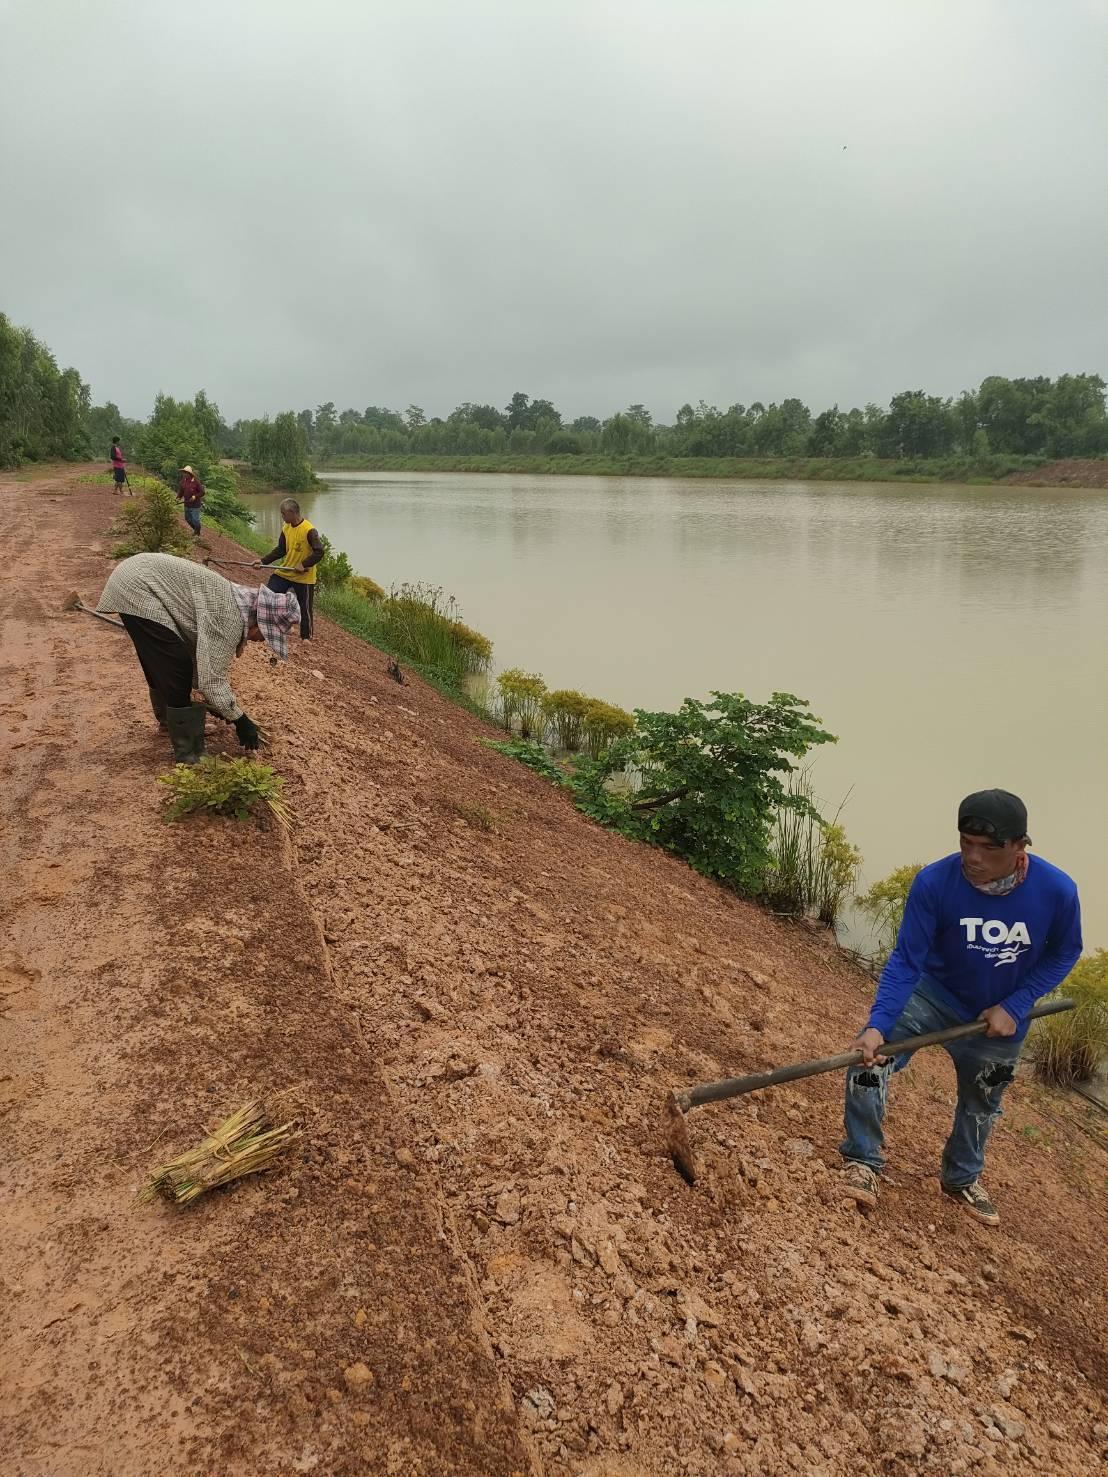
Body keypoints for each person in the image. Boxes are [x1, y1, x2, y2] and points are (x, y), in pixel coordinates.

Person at [840, 789, 1081, 1227]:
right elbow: (907, 959)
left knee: (982, 1101)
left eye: (989, 848)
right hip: (933, 997)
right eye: (965, 842)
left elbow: (1065, 953)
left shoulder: (1058, 891)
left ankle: (960, 1178)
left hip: (1001, 1020)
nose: (973, 856)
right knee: (869, 1064)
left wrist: (1016, 1004)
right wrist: (879, 1025)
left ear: (1020, 845)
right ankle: (862, 1160)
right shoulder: (934, 882)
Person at [95, 552, 299, 765]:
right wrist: (240, 719)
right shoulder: (229, 618)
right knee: (175, 665)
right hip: (137, 586)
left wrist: (220, 706)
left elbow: (201, 663)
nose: (263, 641)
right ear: (260, 621)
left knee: (166, 660)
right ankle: (189, 752)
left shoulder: (242, 601)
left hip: (139, 576)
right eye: (267, 634)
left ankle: (171, 723)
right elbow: (211, 681)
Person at [256, 499, 323, 640]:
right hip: (286, 572)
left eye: (283, 514)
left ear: (292, 513)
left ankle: (306, 637)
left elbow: (319, 552)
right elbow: (280, 550)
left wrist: (304, 564)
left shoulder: (309, 530)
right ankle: (267, 626)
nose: (282, 517)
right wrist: (262, 561)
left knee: (305, 609)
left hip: (304, 576)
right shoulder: (286, 527)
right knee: (268, 595)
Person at [177, 465, 206, 537]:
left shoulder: (196, 481)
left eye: (186, 473)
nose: (184, 474)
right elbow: (181, 491)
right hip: (187, 504)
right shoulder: (183, 481)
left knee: (195, 520)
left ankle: (197, 533)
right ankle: (196, 530)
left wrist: (195, 496)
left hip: (195, 505)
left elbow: (202, 492)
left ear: (189, 473)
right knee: (188, 519)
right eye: (184, 472)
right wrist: (178, 498)